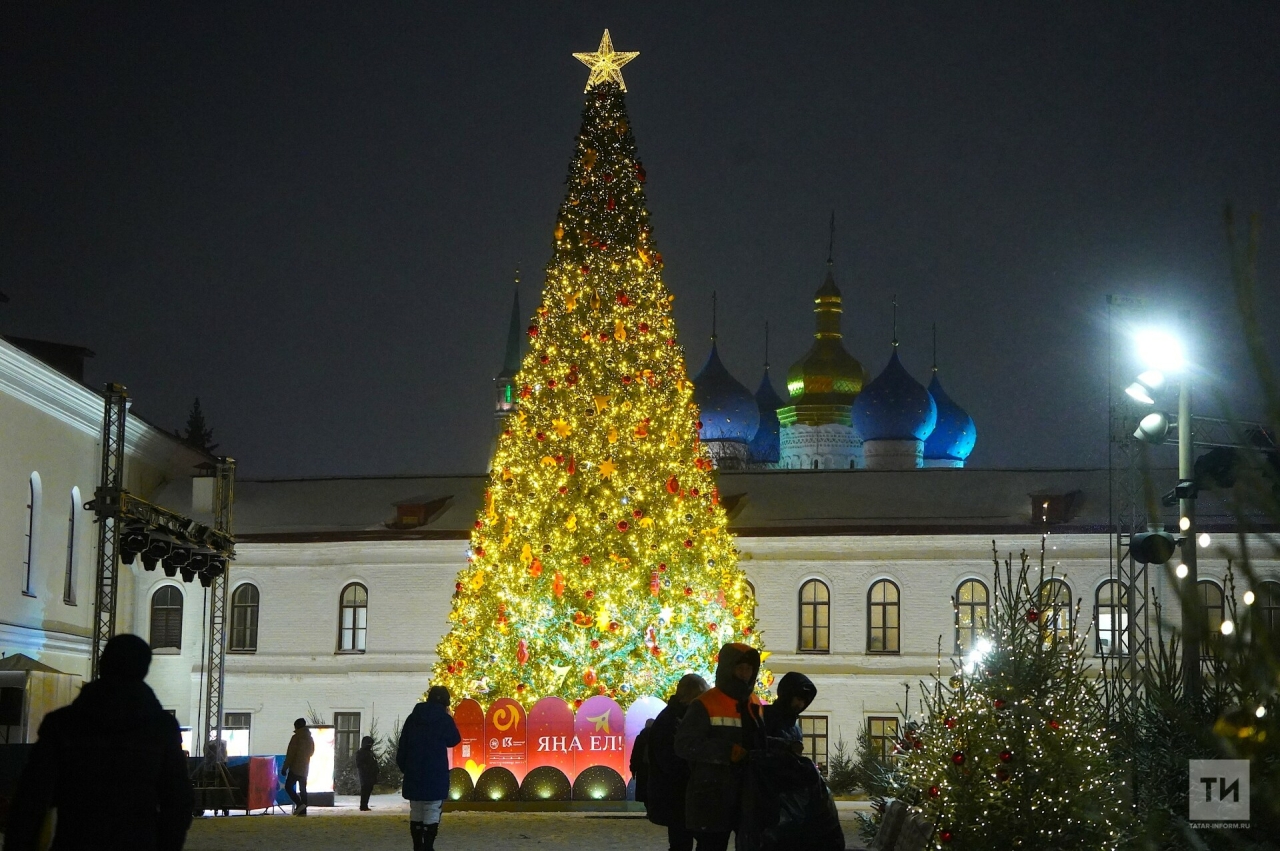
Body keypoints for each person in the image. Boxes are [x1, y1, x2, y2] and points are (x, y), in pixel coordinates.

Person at [5, 633, 193, 851]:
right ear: (143, 670)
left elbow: (31, 798)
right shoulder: (161, 728)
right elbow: (178, 799)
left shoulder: (62, 724)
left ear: (103, 664)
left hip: (75, 840)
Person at [675, 643, 764, 851]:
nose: (744, 673)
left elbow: (759, 740)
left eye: (749, 668)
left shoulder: (754, 702)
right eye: (740, 668)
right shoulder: (705, 703)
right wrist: (725, 752)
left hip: (748, 793)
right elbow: (684, 744)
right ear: (728, 669)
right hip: (713, 796)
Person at [646, 673, 710, 851]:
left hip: (677, 795)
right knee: (682, 842)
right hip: (676, 795)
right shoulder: (672, 720)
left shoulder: (675, 716)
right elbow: (670, 761)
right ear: (689, 696)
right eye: (700, 697)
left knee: (683, 841)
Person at [397, 685, 461, 851]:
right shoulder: (444, 719)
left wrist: (406, 768)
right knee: (432, 809)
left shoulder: (413, 717)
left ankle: (417, 846)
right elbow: (454, 740)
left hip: (414, 771)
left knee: (416, 809)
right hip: (435, 772)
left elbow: (402, 745)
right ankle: (428, 846)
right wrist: (449, 718)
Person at [761, 672, 817, 753]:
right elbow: (758, 742)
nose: (800, 705)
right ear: (788, 696)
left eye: (804, 702)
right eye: (799, 699)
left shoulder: (796, 729)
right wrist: (786, 746)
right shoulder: (765, 716)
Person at [281, 717, 315, 816]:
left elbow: (290, 754)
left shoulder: (296, 738)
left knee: (288, 786)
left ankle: (299, 804)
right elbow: (312, 752)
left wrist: (285, 767)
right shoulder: (310, 738)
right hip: (305, 766)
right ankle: (303, 811)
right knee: (303, 789)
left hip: (295, 767)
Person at [630, 717, 654, 804]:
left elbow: (635, 753)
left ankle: (648, 809)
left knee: (643, 790)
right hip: (654, 767)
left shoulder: (640, 737)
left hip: (642, 768)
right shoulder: (657, 736)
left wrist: (633, 768)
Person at [356, 734, 379, 811]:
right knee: (365, 789)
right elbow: (360, 764)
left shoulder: (370, 752)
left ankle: (365, 805)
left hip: (370, 774)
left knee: (368, 789)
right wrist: (367, 769)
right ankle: (363, 805)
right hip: (365, 775)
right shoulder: (361, 752)